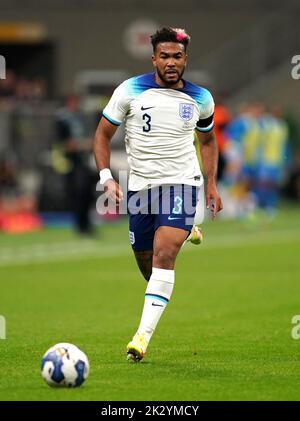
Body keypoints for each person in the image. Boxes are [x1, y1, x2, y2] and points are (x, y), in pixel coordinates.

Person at [93, 27, 222, 362]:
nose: (170, 62)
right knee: (149, 267)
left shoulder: (200, 98)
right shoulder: (130, 91)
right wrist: (107, 177)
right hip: (140, 190)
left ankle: (140, 339)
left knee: (165, 255)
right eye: (164, 56)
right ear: (153, 58)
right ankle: (185, 229)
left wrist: (210, 184)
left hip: (181, 183)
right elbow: (102, 135)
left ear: (185, 60)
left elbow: (207, 142)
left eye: (177, 56)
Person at [56, 94, 95, 235]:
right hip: (69, 163)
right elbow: (66, 144)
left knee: (86, 193)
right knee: (77, 194)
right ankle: (80, 226)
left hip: (83, 162)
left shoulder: (79, 119)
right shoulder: (62, 120)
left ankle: (86, 224)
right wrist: (83, 144)